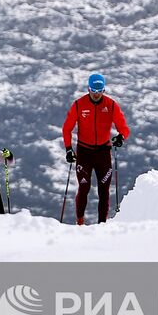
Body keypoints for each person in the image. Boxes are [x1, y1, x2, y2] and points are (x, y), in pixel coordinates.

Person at [61, 73, 130, 225]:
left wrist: (121, 137)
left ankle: (102, 224)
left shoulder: (111, 105)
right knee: (84, 188)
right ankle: (80, 221)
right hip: (84, 152)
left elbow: (124, 128)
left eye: (100, 90)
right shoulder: (79, 105)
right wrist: (68, 149)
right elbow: (67, 129)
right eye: (94, 90)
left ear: (104, 89)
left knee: (104, 191)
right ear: (88, 88)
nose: (97, 94)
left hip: (103, 153)